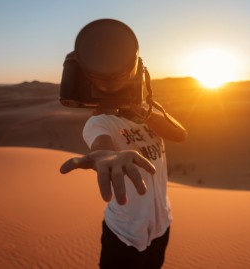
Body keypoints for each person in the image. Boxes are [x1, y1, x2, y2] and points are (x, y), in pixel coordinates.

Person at [59, 19, 187, 269]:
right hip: (124, 235)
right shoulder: (99, 124)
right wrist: (105, 156)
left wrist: (142, 110)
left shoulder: (149, 114)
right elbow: (102, 146)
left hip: (161, 228)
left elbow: (180, 133)